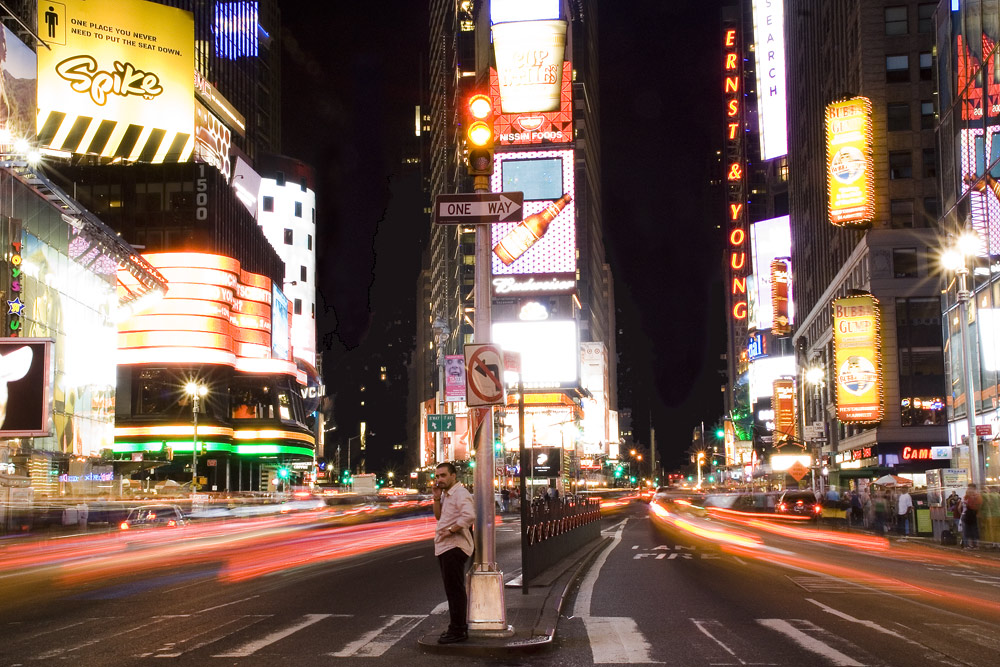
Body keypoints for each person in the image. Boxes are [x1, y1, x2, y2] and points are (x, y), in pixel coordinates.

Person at [432, 462, 475, 644]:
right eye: (437, 476)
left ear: (453, 476)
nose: (439, 479)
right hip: (444, 547)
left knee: (455, 590)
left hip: (454, 547)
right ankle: (455, 628)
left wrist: (451, 530)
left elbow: (469, 516)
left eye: (443, 475)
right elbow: (439, 517)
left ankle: (458, 630)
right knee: (451, 590)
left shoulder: (460, 493)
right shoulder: (446, 495)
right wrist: (436, 498)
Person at [963, 483, 983, 549]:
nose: (969, 490)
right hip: (968, 515)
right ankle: (970, 544)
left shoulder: (977, 496)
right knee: (968, 530)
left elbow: (978, 505)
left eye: (971, 488)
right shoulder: (967, 496)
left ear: (974, 489)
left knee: (974, 530)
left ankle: (976, 544)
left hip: (974, 514)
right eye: (969, 488)